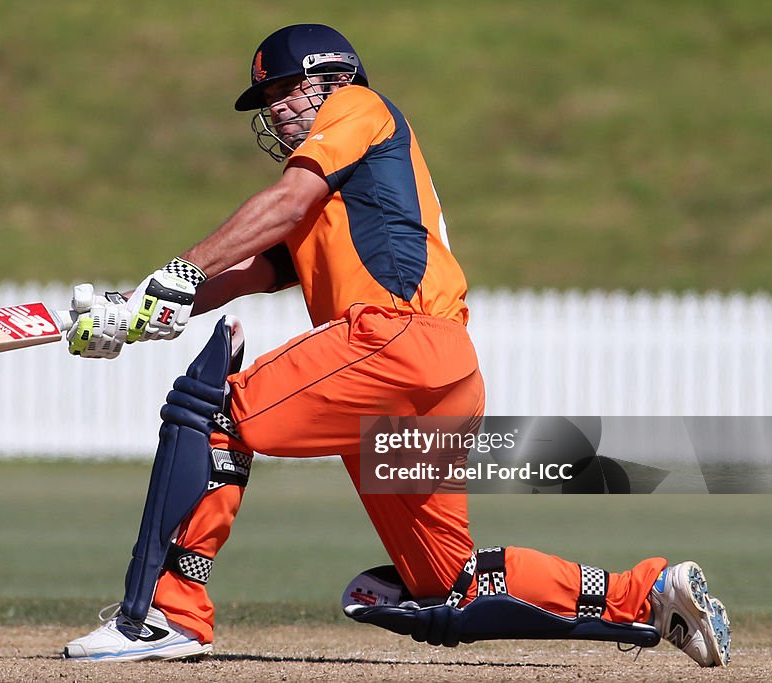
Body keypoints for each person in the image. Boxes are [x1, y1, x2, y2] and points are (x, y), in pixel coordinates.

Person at [59, 24, 731, 667]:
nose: (276, 107)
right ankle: (649, 593)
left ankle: (165, 613)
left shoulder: (359, 108)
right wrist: (131, 312)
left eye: (286, 88)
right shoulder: (340, 195)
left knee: (217, 415)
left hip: (394, 337)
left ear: (333, 78)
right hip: (438, 371)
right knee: (451, 585)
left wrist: (176, 273)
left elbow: (282, 205)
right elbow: (248, 273)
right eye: (268, 99)